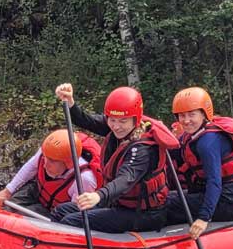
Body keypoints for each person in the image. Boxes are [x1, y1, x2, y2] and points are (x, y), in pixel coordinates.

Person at [51, 82, 172, 232]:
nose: (116, 126)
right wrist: (70, 103)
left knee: (71, 221)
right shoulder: (116, 128)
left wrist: (99, 196)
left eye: (123, 121)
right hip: (118, 203)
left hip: (144, 214)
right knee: (60, 211)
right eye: (112, 120)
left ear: (135, 119)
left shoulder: (143, 149)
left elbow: (125, 179)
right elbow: (86, 120)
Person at [163, 86, 233, 238]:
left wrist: (204, 217)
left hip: (229, 201)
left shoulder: (208, 142)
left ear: (204, 114)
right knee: (164, 198)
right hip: (221, 194)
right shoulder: (193, 135)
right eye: (182, 116)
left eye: (192, 115)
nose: (186, 120)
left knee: (165, 206)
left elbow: (215, 181)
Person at [0, 129, 102, 213]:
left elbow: (72, 214)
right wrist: (7, 191)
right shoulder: (48, 150)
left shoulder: (84, 179)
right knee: (8, 205)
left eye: (52, 161)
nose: (45, 164)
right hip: (38, 191)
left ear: (68, 163)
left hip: (56, 211)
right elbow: (29, 168)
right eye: (45, 158)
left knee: (24, 214)